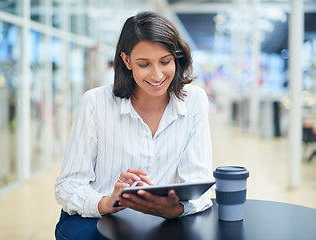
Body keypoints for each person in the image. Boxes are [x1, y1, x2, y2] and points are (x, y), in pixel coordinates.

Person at [54, 11, 213, 240]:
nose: (157, 75)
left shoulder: (194, 101)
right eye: (144, 64)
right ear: (127, 61)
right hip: (96, 218)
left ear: (176, 58)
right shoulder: (95, 103)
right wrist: (106, 202)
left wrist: (176, 209)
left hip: (160, 220)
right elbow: (68, 186)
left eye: (165, 61)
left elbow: (199, 184)